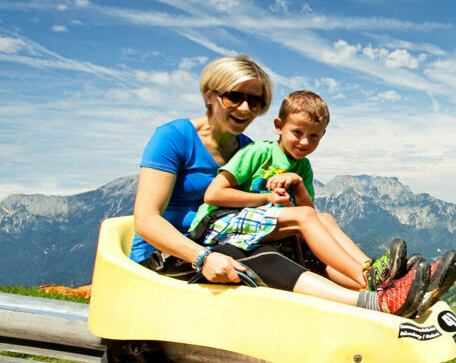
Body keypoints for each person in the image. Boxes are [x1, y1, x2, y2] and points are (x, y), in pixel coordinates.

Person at [131, 55, 425, 317]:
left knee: (308, 245)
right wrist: (202, 257)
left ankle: (383, 285)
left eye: (255, 101)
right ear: (210, 95)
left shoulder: (245, 148)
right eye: (234, 96)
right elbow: (145, 220)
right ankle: (373, 298)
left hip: (225, 239)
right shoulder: (174, 136)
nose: (245, 108)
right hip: (170, 255)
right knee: (266, 258)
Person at [190, 91, 456, 315]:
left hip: (257, 228)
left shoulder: (303, 166)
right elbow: (213, 195)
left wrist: (296, 182)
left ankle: (377, 275)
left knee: (325, 219)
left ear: (323, 135)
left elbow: (310, 212)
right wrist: (266, 197)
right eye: (297, 132)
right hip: (218, 226)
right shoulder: (259, 152)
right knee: (308, 220)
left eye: (314, 137)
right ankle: (371, 279)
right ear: (278, 126)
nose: (304, 142)